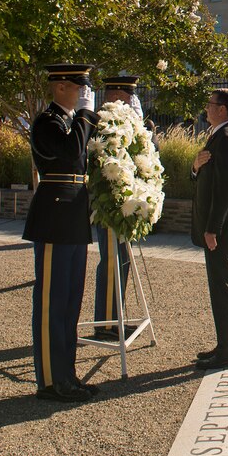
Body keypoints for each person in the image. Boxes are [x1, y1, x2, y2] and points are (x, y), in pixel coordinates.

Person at [22, 63, 100, 402]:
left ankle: (67, 373)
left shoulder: (70, 122)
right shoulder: (47, 122)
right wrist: (85, 116)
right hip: (54, 216)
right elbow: (69, 153)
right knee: (53, 302)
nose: (84, 93)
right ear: (60, 87)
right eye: (79, 87)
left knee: (70, 301)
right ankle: (51, 381)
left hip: (73, 216)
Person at [191, 88, 228, 370]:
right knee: (223, 288)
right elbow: (208, 174)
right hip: (223, 228)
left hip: (223, 230)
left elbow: (226, 187)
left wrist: (212, 228)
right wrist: (194, 166)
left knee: (223, 289)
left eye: (210, 104)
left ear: (222, 109)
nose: (206, 107)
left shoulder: (226, 138)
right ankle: (227, 344)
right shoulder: (220, 134)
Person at [90, 75, 142, 341]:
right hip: (108, 206)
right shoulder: (104, 124)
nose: (132, 101)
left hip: (123, 206)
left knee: (121, 262)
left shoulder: (124, 122)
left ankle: (116, 316)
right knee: (112, 261)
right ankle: (107, 323)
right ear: (114, 95)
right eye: (128, 95)